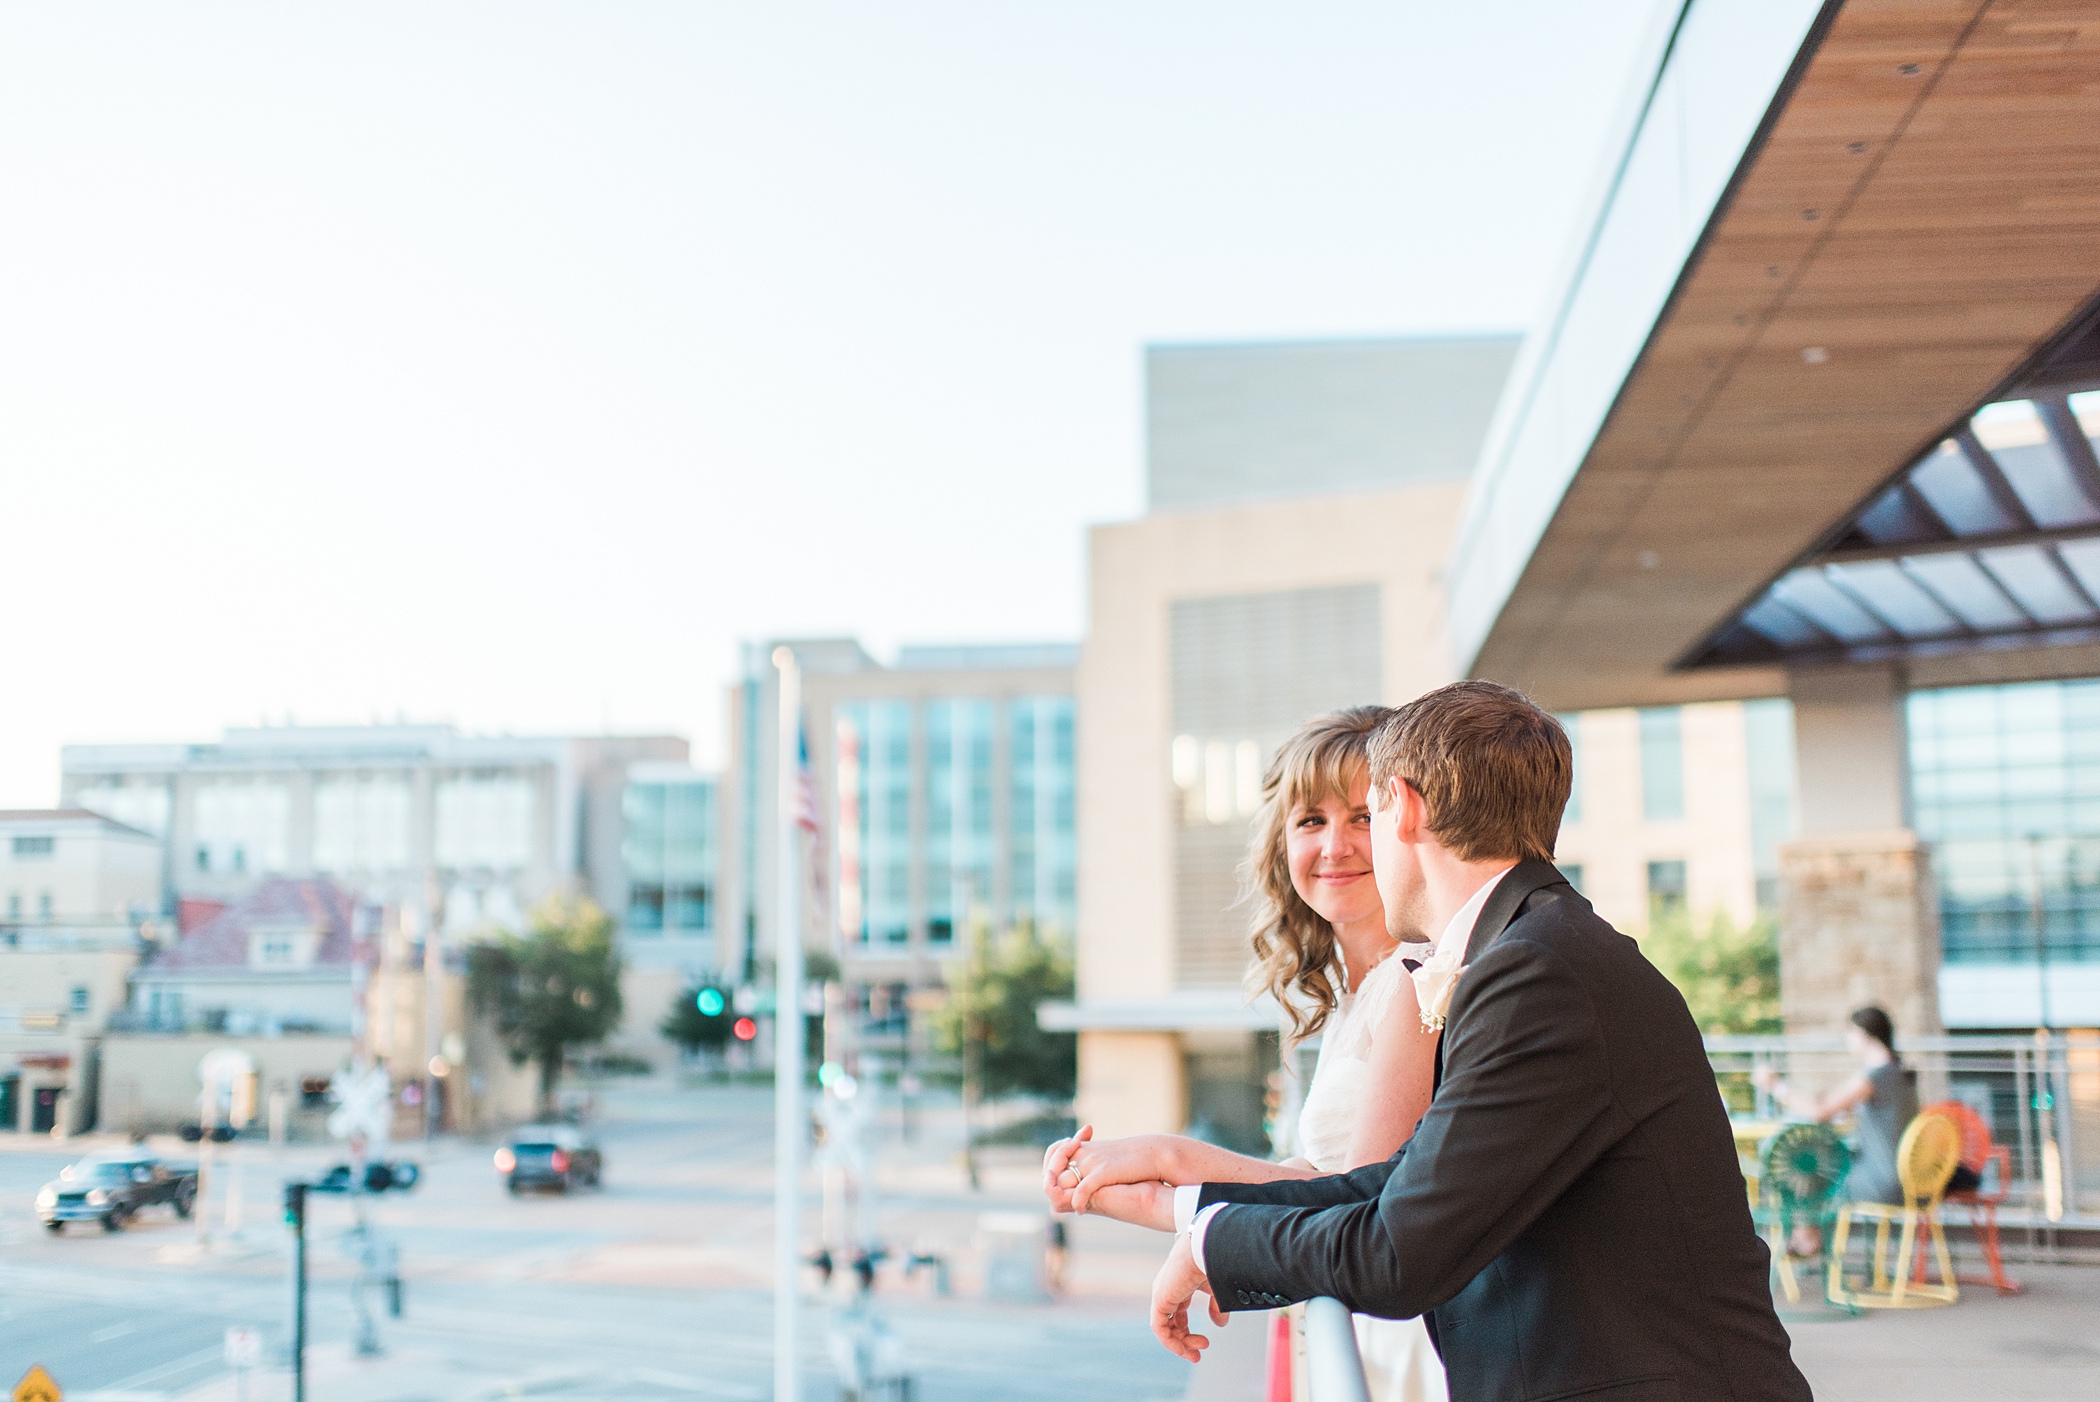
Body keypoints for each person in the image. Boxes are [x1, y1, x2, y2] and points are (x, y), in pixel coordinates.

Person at [1073, 681, 1811, 1402]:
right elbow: (1400, 1183)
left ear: (1407, 810)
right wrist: (1195, 1212)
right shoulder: (1531, 953)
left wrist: (1212, 1243)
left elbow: (1399, 1251)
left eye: (1371, 810)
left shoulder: (1535, 973)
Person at [1042, 706, 1446, 1401]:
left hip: (1410, 1347)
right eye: (1310, 821)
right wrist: (1128, 1192)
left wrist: (1172, 1167)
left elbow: (1356, 1201)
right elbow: (1312, 1175)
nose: (1335, 846)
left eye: (1361, 818)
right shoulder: (1364, 994)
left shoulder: (1414, 982)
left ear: (1404, 828)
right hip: (1365, 1337)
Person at [1754, 1005, 1943, 1204]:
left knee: (1810, 1173)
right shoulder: (1900, 1072)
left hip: (1884, 1185)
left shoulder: (1874, 1076)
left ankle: (1806, 1236)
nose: (1848, 1040)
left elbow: (1820, 1112)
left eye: (1850, 1033)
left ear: (1864, 1034)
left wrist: (1775, 1086)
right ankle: (1808, 1236)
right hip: (1918, 1185)